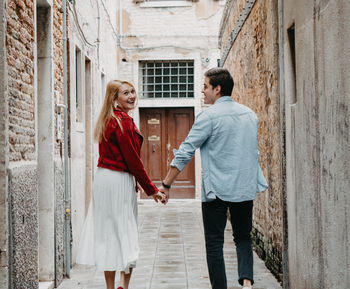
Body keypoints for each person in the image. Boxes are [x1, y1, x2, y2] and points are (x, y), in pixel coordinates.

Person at [158, 68, 268, 289]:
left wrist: (166, 184)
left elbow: (186, 150)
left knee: (215, 244)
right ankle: (247, 284)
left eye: (205, 86)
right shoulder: (250, 115)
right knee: (243, 238)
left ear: (217, 89)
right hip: (244, 186)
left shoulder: (207, 116)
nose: (202, 90)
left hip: (216, 189)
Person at [76, 80, 166, 289]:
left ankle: (111, 287)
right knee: (126, 233)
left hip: (104, 180)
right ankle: (123, 286)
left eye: (133, 91)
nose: (132, 96)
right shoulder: (123, 121)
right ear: (114, 98)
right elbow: (132, 159)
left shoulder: (107, 119)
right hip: (118, 180)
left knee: (108, 234)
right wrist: (151, 189)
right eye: (125, 93)